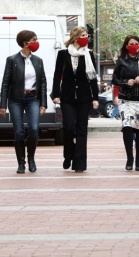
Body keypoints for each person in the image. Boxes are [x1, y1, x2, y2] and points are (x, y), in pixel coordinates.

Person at [51, 26, 99, 173]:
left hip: (84, 97)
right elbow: (57, 75)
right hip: (67, 96)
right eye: (84, 35)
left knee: (81, 130)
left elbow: (92, 77)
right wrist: (55, 94)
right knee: (69, 127)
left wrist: (95, 97)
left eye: (87, 35)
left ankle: (80, 163)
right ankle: (68, 155)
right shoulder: (63, 54)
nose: (87, 38)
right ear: (76, 37)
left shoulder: (89, 54)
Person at [0, 30, 47, 174]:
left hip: (32, 99)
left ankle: (31, 158)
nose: (36, 42)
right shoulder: (12, 60)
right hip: (15, 100)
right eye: (34, 39)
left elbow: (43, 82)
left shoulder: (38, 60)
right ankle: (21, 163)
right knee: (19, 132)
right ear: (25, 43)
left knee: (34, 129)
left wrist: (43, 103)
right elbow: (5, 83)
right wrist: (3, 105)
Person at [112, 35, 139, 171]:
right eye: (131, 43)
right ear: (126, 46)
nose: (134, 45)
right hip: (126, 99)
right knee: (127, 128)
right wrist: (125, 82)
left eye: (137, 43)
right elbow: (114, 80)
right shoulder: (121, 61)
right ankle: (129, 158)